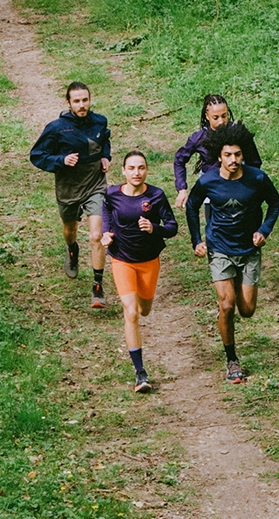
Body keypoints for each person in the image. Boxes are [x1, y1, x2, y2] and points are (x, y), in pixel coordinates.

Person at [185, 122, 279, 383]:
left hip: (249, 250)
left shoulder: (257, 178)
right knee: (226, 305)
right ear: (219, 156)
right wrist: (197, 240)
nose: (233, 160)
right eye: (228, 155)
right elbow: (191, 207)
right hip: (220, 249)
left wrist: (264, 230)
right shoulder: (207, 181)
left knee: (247, 310)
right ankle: (232, 360)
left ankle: (237, 283)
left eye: (238, 155)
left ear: (243, 155)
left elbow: (275, 203)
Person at [100, 150, 178, 393]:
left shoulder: (156, 196)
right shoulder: (112, 194)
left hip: (148, 261)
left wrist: (154, 227)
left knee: (144, 309)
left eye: (141, 168)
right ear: (123, 171)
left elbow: (172, 227)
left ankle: (140, 370)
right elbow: (106, 213)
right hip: (122, 259)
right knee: (131, 312)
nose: (136, 172)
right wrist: (106, 232)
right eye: (131, 168)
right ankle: (140, 373)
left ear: (147, 170)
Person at [30, 81, 112, 308]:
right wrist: (61, 160)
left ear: (90, 99)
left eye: (85, 100)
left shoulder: (99, 121)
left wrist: (106, 156)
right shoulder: (56, 128)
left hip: (95, 184)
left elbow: (104, 140)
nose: (82, 105)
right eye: (76, 101)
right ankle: (72, 249)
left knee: (97, 235)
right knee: (70, 230)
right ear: (68, 103)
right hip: (68, 188)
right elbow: (37, 155)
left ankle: (97, 287)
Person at [173, 94, 262, 211]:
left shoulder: (240, 134)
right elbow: (179, 160)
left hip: (238, 187)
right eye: (216, 117)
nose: (221, 121)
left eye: (224, 116)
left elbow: (254, 162)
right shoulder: (199, 138)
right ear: (207, 116)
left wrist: (250, 186)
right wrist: (182, 189)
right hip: (212, 191)